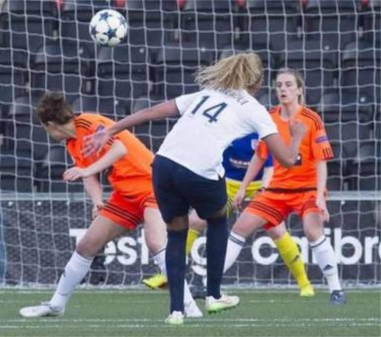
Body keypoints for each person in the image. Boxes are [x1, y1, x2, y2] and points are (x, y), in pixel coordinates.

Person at [84, 53, 306, 325]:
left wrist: (111, 130)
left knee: (176, 234)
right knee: (218, 219)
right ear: (257, 82)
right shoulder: (254, 108)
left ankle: (176, 311)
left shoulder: (207, 93)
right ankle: (214, 295)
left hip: (163, 165)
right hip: (198, 171)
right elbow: (285, 159)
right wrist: (296, 138)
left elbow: (152, 112)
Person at [19, 92, 203, 318]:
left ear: (49, 124)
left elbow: (119, 150)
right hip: (124, 194)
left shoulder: (89, 123)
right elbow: (89, 176)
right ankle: (56, 305)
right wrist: (97, 203)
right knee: (87, 245)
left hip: (151, 184)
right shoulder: (71, 142)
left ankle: (188, 306)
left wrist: (86, 170)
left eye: (44, 128)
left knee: (155, 242)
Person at [224, 68, 346, 305]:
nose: (283, 89)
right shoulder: (268, 118)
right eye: (279, 85)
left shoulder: (311, 119)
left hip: (307, 189)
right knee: (240, 228)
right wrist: (242, 188)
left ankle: (336, 289)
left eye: (289, 85)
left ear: (299, 90)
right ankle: (212, 285)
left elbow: (321, 161)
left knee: (313, 231)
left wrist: (320, 196)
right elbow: (259, 156)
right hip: (276, 190)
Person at [143, 131, 315, 298]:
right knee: (194, 222)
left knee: (277, 230)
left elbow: (270, 166)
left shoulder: (259, 130)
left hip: (259, 184)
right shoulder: (226, 128)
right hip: (229, 184)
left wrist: (264, 189)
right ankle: (169, 274)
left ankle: (305, 284)